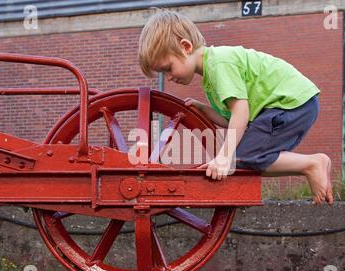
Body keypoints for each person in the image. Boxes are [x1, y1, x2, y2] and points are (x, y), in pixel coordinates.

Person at [138, 10, 333, 205]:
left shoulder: (219, 64)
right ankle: (311, 164)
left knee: (244, 157)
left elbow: (241, 112)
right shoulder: (212, 73)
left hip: (289, 103)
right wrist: (205, 110)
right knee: (244, 161)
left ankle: (312, 163)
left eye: (168, 69)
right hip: (291, 103)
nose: (169, 78)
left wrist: (224, 156)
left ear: (186, 47)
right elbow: (234, 120)